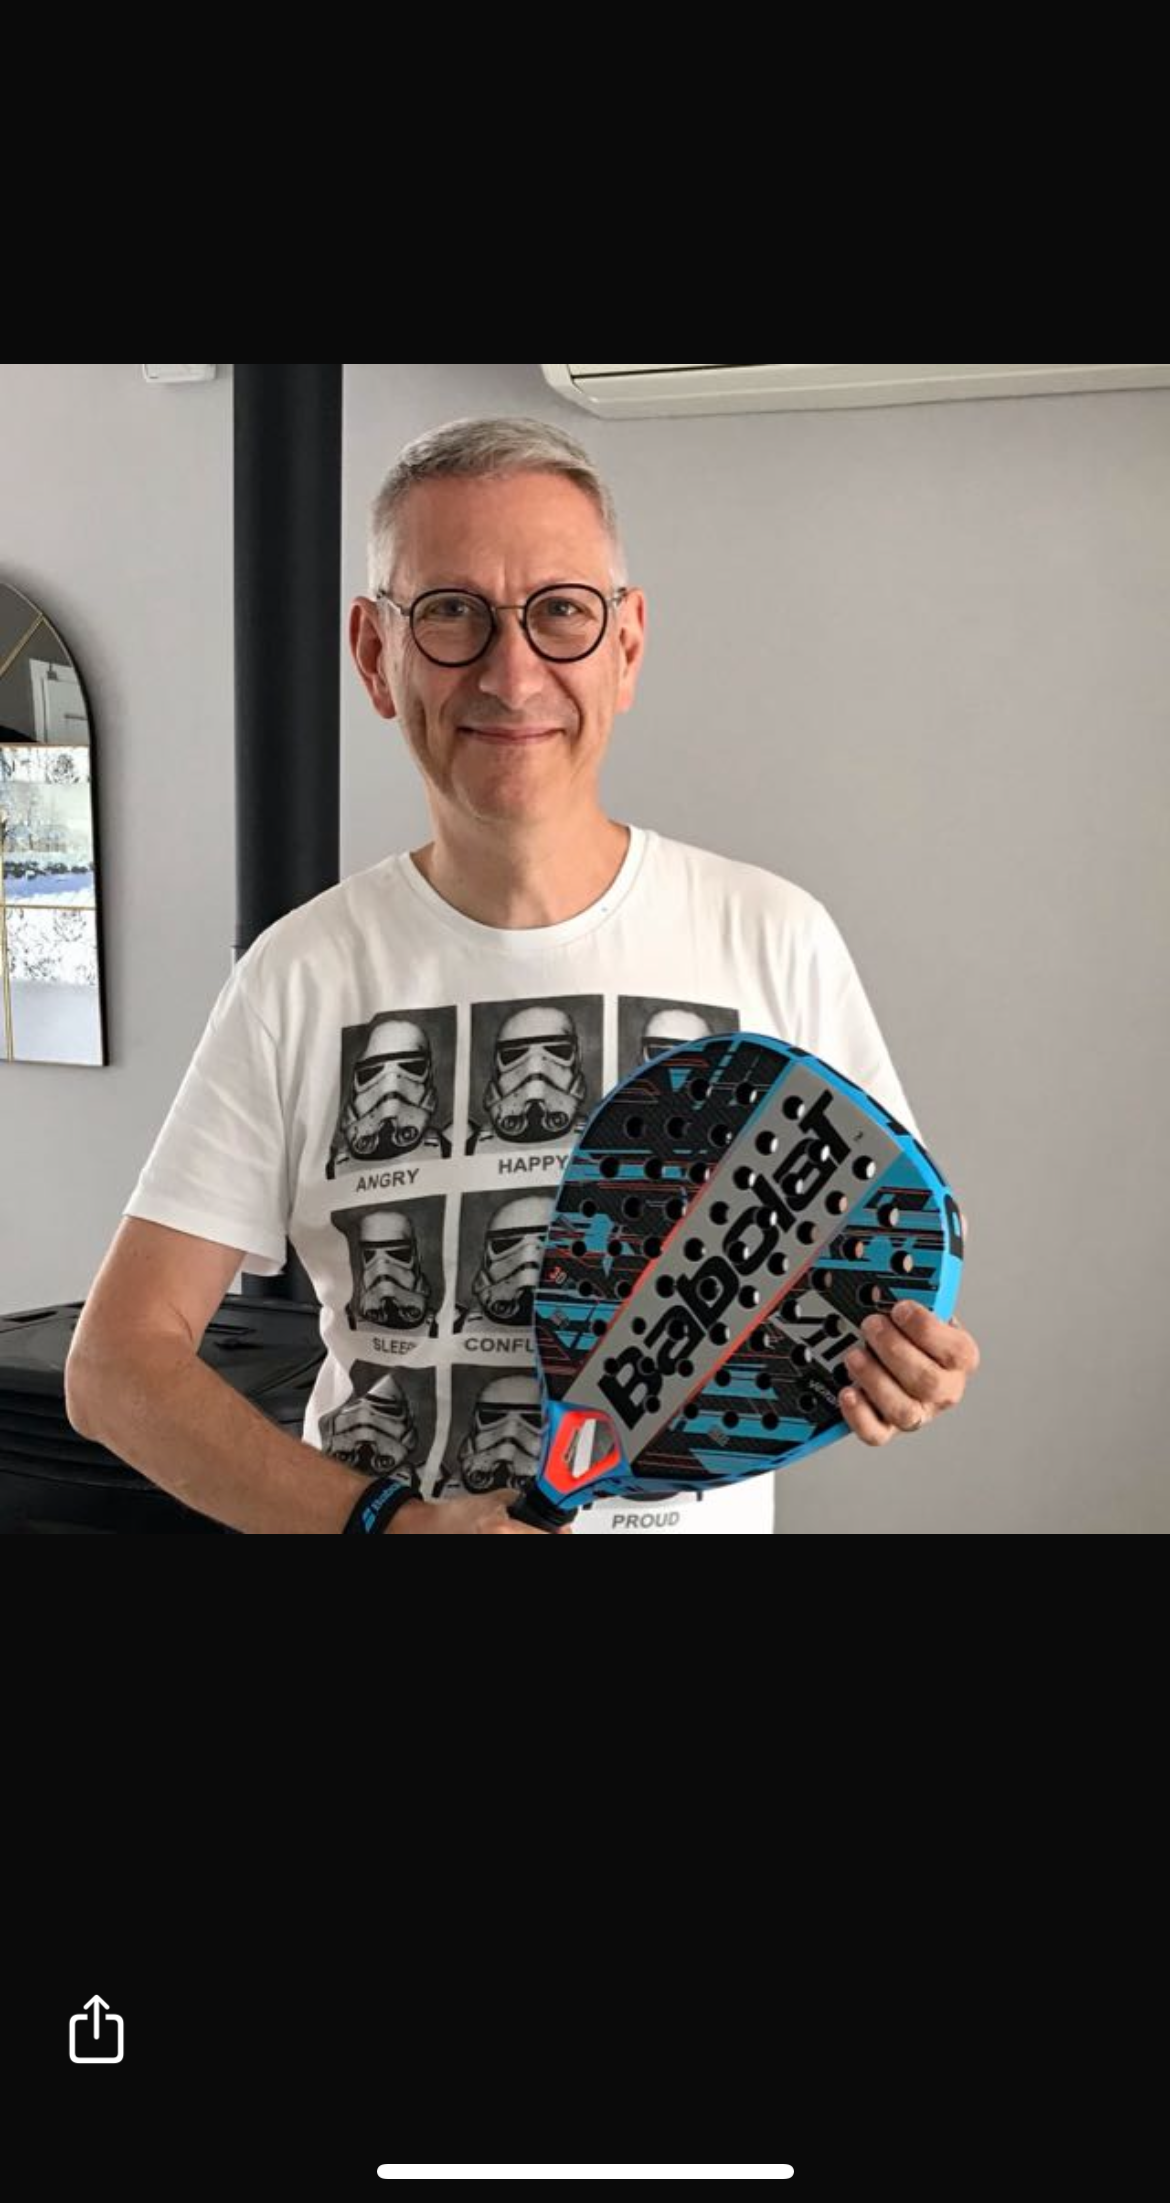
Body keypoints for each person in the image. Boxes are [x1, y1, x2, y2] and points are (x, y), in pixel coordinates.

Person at [65, 414, 979, 1533]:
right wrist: (388, 1527)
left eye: (561, 611)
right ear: (375, 655)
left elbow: (877, 1263)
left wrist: (906, 1367)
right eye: (451, 612)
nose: (512, 673)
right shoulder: (295, 978)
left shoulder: (775, 935)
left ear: (626, 645)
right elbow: (115, 1367)